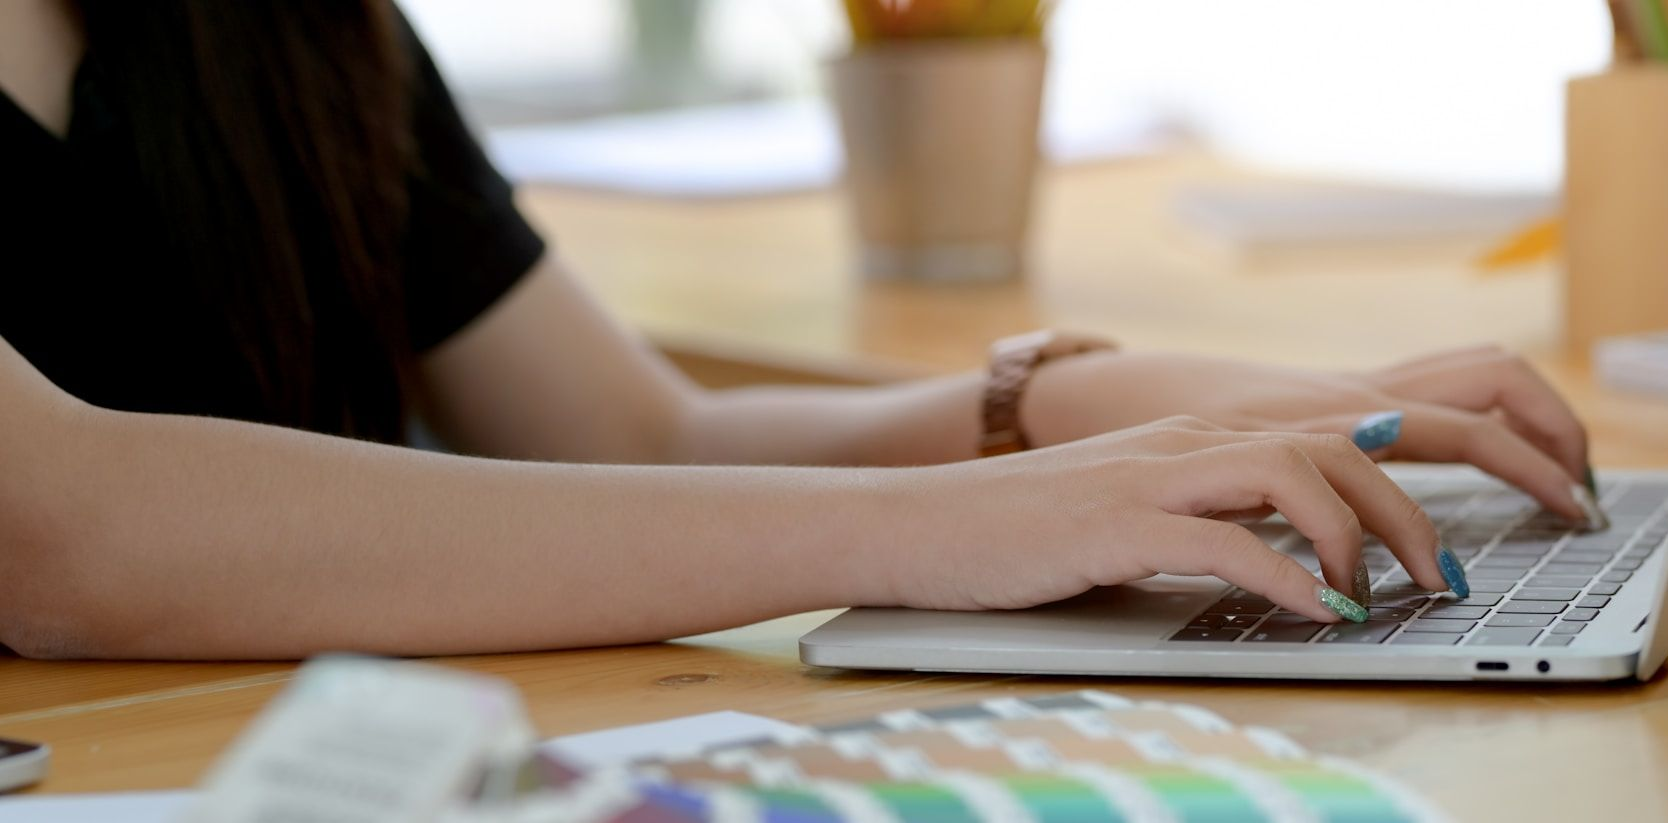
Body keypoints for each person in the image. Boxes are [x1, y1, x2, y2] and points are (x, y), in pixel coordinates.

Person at [0, 0, 1597, 661]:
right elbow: (60, 529)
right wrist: (949, 521)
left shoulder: (276, 25)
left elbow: (636, 442)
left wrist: (1067, 405)